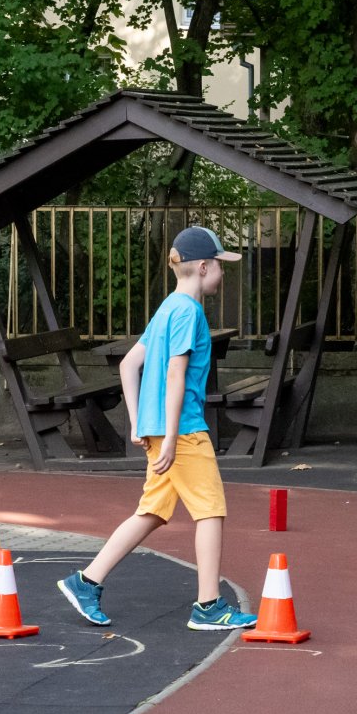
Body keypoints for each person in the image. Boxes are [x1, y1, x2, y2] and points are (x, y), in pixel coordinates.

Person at [57, 226, 258, 632]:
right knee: (211, 510)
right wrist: (168, 435)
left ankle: (86, 581)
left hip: (159, 428)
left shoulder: (168, 306)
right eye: (220, 265)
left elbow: (128, 365)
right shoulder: (188, 312)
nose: (222, 272)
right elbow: (175, 375)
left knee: (152, 511)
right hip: (181, 430)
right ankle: (208, 607)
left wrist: (137, 421)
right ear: (203, 267)